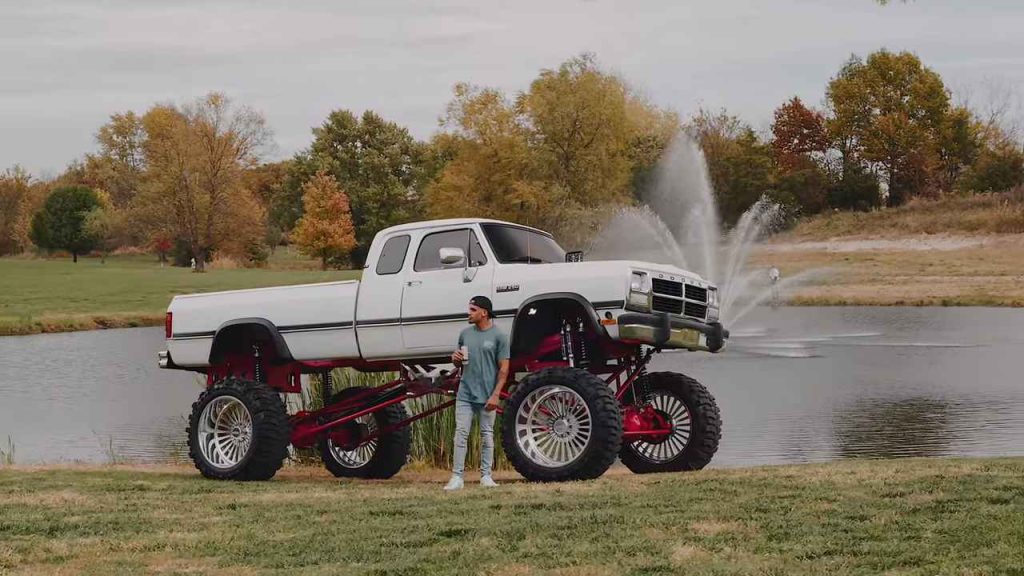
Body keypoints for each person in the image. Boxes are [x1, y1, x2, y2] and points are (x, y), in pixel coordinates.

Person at [444, 295, 510, 491]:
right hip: (465, 393)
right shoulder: (465, 334)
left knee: (487, 435)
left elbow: (504, 370)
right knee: (461, 434)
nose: (469, 313)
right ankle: (456, 478)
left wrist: (496, 394)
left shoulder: (500, 337)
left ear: (484, 312)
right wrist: (455, 359)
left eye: (473, 310)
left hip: (488, 394)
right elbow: (460, 363)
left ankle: (486, 476)